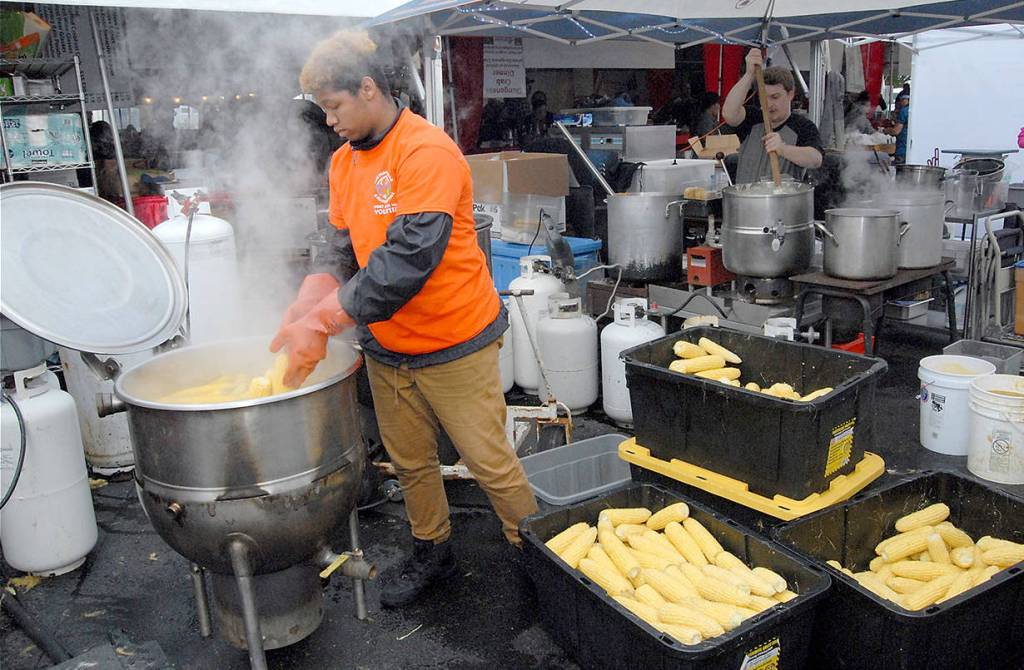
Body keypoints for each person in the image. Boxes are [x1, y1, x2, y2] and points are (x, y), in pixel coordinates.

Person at [274, 29, 538, 608]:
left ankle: (535, 554)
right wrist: (311, 293)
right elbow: (339, 243)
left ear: (368, 88)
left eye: (335, 106)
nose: (329, 121)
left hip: (455, 340)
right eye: (322, 110)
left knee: (487, 460)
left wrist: (323, 322)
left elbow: (407, 260)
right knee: (412, 463)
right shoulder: (344, 163)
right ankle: (431, 550)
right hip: (389, 347)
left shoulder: (427, 152)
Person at [721, 49, 823, 184]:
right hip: (744, 201)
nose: (769, 104)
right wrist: (749, 74)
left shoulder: (803, 126)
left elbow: (815, 159)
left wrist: (782, 149)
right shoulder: (753, 119)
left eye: (775, 97)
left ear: (790, 94)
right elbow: (729, 114)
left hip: (781, 202)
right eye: (764, 97)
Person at [886, 92, 910, 164]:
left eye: (902, 100)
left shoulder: (904, 111)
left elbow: (896, 131)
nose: (901, 102)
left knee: (900, 172)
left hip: (902, 149)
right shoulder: (916, 109)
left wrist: (886, 130)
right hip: (911, 149)